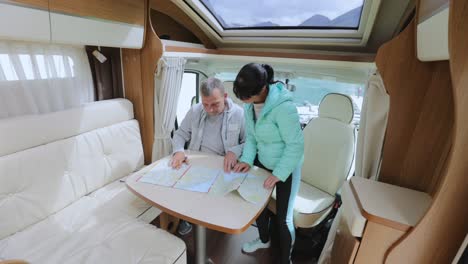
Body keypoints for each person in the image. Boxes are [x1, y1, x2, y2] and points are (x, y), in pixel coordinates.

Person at [232, 63, 303, 264]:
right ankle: (264, 240)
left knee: (283, 219)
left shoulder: (284, 108)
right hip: (263, 161)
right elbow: (252, 138)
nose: (244, 101)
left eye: (246, 97)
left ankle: (285, 260)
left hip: (286, 166)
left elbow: (296, 146)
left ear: (262, 89)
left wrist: (278, 174)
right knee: (257, 206)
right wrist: (246, 159)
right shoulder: (249, 105)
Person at [171, 77, 246, 235]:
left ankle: (218, 220)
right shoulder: (195, 110)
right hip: (196, 162)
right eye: (206, 104)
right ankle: (187, 217)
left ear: (225, 97)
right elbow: (180, 135)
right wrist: (178, 150)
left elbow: (248, 142)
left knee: (219, 203)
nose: (209, 109)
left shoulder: (239, 114)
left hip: (223, 165)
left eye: (214, 104)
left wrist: (235, 151)